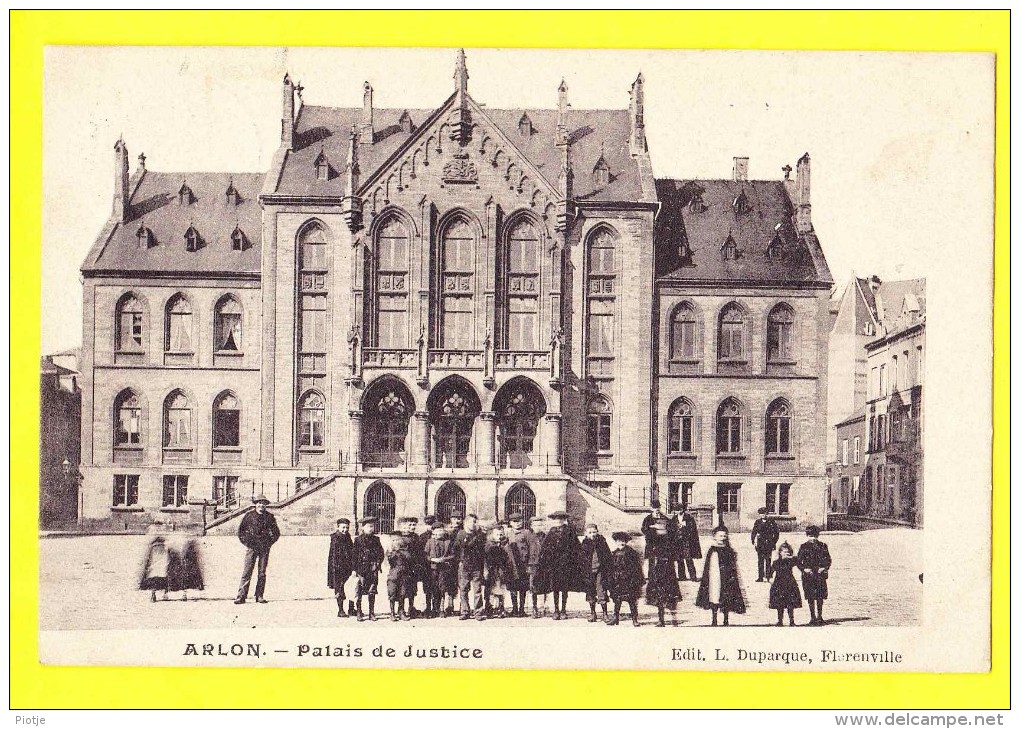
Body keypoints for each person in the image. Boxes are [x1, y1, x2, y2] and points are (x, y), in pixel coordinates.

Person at [536, 511, 583, 620]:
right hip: (554, 564)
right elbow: (545, 546)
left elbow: (576, 546)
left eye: (561, 519)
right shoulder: (552, 531)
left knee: (565, 588)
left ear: (564, 520)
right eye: (556, 519)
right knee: (555, 587)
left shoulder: (569, 530)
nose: (558, 521)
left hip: (566, 563)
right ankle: (556, 610)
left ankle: (563, 610)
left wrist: (574, 558)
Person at [696, 525, 746, 626]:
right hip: (714, 578)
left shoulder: (728, 550)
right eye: (720, 536)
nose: (722, 538)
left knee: (725, 597)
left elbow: (732, 567)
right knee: (714, 597)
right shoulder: (712, 549)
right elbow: (708, 566)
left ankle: (725, 619)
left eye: (724, 536)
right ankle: (714, 619)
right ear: (714, 536)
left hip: (726, 578)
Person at [234, 496, 280, 605]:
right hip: (252, 548)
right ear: (255, 504)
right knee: (247, 571)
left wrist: (269, 543)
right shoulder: (249, 516)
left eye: (263, 503)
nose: (261, 505)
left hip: (264, 548)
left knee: (262, 572)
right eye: (259, 503)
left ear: (265, 505)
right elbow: (241, 532)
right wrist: (247, 543)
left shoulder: (269, 517)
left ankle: (259, 595)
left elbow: (276, 533)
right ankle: (241, 596)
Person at [644, 516, 681, 627]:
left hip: (669, 571)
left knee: (670, 596)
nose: (660, 529)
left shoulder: (670, 539)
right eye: (658, 527)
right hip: (657, 570)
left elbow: (675, 554)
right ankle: (661, 620)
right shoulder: (652, 540)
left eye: (662, 527)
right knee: (659, 595)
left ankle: (674, 619)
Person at [506, 513, 541, 617]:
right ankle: (514, 609)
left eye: (519, 521)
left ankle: (521, 609)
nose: (517, 523)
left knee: (522, 587)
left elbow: (532, 548)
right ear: (510, 523)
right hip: (511, 565)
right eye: (514, 521)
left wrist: (530, 563)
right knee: (512, 587)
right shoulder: (508, 533)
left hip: (523, 564)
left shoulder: (527, 533)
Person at [797, 525, 832, 625]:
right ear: (807, 536)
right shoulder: (803, 547)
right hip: (808, 576)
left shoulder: (823, 546)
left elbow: (828, 559)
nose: (812, 538)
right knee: (810, 596)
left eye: (814, 536)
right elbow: (799, 561)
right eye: (810, 536)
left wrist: (824, 567)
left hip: (820, 575)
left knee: (820, 596)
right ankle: (812, 617)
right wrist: (804, 569)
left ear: (818, 536)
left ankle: (820, 616)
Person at [607, 531, 644, 626]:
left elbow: (637, 568)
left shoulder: (632, 553)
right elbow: (610, 567)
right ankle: (615, 618)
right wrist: (610, 579)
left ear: (626, 541)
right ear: (616, 542)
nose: (621, 543)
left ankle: (634, 619)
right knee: (617, 600)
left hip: (629, 580)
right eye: (619, 541)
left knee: (632, 601)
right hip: (617, 581)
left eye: (623, 541)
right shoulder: (614, 553)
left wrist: (638, 580)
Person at [455, 514, 487, 620]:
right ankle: (465, 611)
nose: (475, 524)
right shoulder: (461, 534)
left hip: (476, 567)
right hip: (464, 566)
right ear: (466, 523)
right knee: (463, 589)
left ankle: (478, 612)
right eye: (473, 522)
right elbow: (457, 549)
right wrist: (460, 561)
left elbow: (483, 550)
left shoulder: (480, 535)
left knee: (477, 590)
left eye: (476, 522)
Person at [579, 523, 613, 623]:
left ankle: (605, 614)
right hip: (589, 572)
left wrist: (608, 569)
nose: (592, 534)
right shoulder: (584, 544)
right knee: (590, 592)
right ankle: (593, 613)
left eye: (594, 532)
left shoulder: (602, 542)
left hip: (600, 571)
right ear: (586, 534)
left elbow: (608, 556)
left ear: (597, 532)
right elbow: (581, 559)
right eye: (589, 532)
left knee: (601, 591)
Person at [386, 518, 418, 621]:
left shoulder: (405, 550)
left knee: (402, 593)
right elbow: (389, 561)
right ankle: (392, 613)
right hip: (394, 575)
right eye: (394, 540)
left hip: (404, 574)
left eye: (398, 540)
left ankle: (401, 611)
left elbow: (409, 557)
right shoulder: (390, 551)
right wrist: (393, 551)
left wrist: (401, 550)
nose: (396, 542)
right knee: (392, 593)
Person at [353, 517, 384, 621]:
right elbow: (354, 555)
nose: (371, 528)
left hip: (373, 569)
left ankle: (371, 613)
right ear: (363, 527)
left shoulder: (376, 539)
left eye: (372, 526)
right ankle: (359, 612)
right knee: (359, 591)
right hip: (361, 569)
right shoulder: (358, 540)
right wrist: (354, 569)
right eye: (369, 526)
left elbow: (381, 553)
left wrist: (378, 563)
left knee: (372, 591)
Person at [425, 520, 457, 617]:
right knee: (433, 588)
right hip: (433, 569)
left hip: (444, 569)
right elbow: (425, 555)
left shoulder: (448, 542)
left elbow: (453, 555)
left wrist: (444, 559)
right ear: (433, 532)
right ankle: (434, 609)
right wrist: (432, 559)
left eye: (441, 530)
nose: (440, 533)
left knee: (442, 588)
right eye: (437, 531)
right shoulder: (430, 542)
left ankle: (441, 609)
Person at [484, 525, 517, 618]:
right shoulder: (488, 545)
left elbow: (510, 559)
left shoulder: (505, 545)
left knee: (501, 589)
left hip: (501, 571)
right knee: (490, 590)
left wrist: (510, 571)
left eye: (501, 534)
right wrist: (486, 570)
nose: (499, 536)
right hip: (491, 571)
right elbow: (485, 559)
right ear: (492, 535)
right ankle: (489, 609)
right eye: (497, 534)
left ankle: (500, 608)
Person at [769, 542, 803, 626]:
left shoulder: (791, 561)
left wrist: (791, 557)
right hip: (778, 584)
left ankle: (792, 621)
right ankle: (780, 620)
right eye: (784, 552)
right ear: (780, 552)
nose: (786, 553)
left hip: (790, 583)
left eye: (788, 552)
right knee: (779, 605)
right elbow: (769, 573)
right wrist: (770, 580)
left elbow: (798, 562)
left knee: (790, 604)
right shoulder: (776, 562)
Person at [326, 518, 354, 618]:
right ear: (338, 527)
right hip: (338, 568)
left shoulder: (348, 537)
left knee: (352, 587)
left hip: (348, 567)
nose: (345, 530)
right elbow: (333, 556)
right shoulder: (335, 538)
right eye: (343, 527)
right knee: (339, 588)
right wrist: (335, 569)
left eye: (347, 527)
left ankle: (351, 609)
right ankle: (340, 610)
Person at [750, 507, 781, 582]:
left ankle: (767, 576)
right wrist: (753, 540)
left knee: (768, 560)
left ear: (766, 514)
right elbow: (754, 531)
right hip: (760, 544)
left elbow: (776, 533)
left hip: (768, 544)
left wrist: (774, 542)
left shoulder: (771, 522)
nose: (762, 515)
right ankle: (760, 577)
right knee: (760, 560)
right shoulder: (757, 522)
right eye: (761, 513)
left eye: (764, 513)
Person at [675, 504, 702, 581]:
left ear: (683, 510)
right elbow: (671, 528)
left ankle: (693, 577)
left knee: (688, 559)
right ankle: (681, 577)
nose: (679, 511)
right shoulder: (674, 518)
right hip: (678, 542)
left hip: (686, 542)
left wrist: (684, 526)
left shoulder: (689, 518)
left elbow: (692, 528)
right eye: (677, 510)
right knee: (679, 559)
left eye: (680, 509)